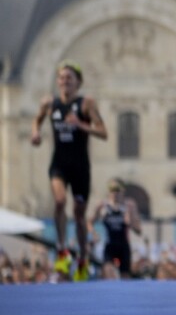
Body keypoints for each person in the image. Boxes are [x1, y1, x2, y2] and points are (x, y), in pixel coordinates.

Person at [30, 61, 108, 280]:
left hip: (80, 166)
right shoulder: (49, 103)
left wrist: (80, 125)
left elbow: (103, 132)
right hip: (59, 164)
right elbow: (36, 121)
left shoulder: (86, 104)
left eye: (69, 78)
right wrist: (35, 134)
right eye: (62, 78)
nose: (65, 82)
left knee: (79, 215)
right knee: (60, 201)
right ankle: (62, 248)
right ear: (57, 82)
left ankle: (83, 256)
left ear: (78, 83)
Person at [90, 179, 142, 278]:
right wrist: (94, 234)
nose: (115, 193)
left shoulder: (129, 206)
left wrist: (130, 223)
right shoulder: (102, 206)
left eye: (117, 190)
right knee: (108, 273)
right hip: (110, 246)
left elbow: (139, 231)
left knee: (125, 277)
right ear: (108, 191)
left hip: (124, 246)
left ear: (123, 191)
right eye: (112, 189)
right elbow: (89, 223)